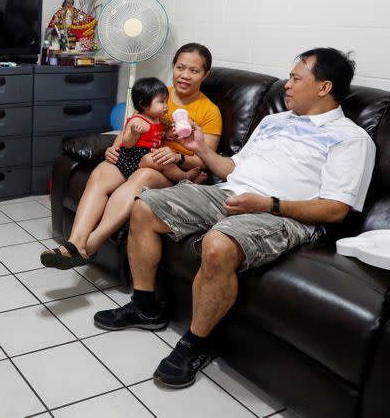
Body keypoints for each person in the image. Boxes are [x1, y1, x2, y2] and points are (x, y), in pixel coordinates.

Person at [93, 48, 376, 389]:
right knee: (144, 206)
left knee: (218, 244)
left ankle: (197, 344)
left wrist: (268, 204)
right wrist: (201, 149)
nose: (287, 85)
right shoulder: (274, 121)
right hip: (231, 192)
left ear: (323, 87)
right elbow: (231, 169)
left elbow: (335, 209)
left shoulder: (351, 139)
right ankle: (144, 307)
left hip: (284, 214)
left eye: (296, 78)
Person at [41, 43, 222, 269]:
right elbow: (131, 127)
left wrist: (177, 157)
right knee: (101, 172)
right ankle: (74, 244)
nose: (184, 75)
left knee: (143, 175)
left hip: (167, 167)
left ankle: (91, 245)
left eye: (193, 71)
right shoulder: (157, 94)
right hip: (136, 155)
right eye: (180, 67)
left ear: (205, 74)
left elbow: (206, 159)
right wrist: (114, 147)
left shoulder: (210, 111)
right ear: (173, 66)